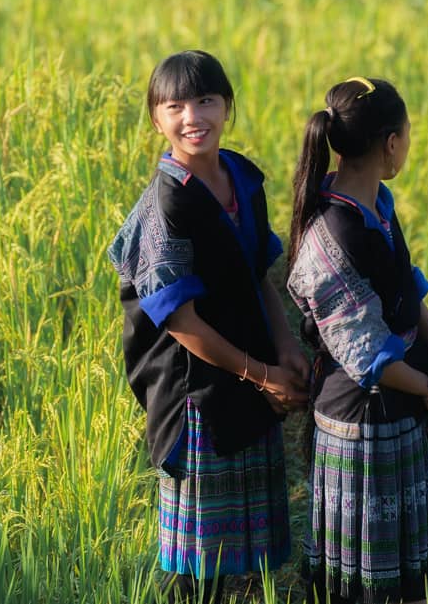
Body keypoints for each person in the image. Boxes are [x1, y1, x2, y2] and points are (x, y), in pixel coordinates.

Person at [108, 50, 309, 603]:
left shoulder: (242, 177)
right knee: (198, 566)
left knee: (240, 553)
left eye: (206, 101)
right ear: (156, 119)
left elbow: (258, 272)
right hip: (194, 391)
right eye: (175, 106)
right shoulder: (166, 203)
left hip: (247, 372)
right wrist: (263, 375)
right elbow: (179, 321)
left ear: (228, 107)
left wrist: (285, 346)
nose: (192, 117)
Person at [287, 77, 428, 603]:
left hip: (401, 402)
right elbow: (365, 352)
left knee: (406, 580)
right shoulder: (332, 233)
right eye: (408, 136)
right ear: (390, 143)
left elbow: (404, 287)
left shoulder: (376, 204)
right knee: (366, 589)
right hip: (364, 424)